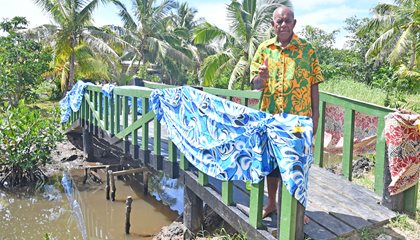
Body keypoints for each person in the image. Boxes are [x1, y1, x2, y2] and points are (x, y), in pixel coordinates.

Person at [250, 5, 324, 224]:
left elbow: (314, 87)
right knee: (272, 165)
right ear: (273, 25)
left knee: (296, 165)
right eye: (279, 21)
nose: (283, 25)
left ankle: (295, 210)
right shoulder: (264, 49)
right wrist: (260, 79)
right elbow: (255, 85)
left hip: (298, 122)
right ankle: (271, 203)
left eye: (287, 21)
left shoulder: (307, 50)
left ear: (294, 23)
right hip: (270, 118)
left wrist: (315, 119)